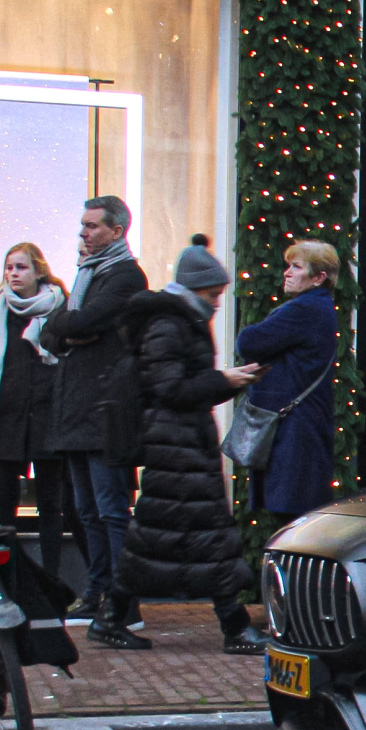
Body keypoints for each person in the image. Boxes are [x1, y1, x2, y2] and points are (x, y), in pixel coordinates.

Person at [119, 241, 269, 655]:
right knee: (212, 537)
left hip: (179, 445)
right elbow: (169, 387)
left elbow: (175, 385)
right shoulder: (171, 323)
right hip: (178, 446)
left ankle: (110, 616)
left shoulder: (177, 319)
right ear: (193, 289)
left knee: (154, 534)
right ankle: (234, 627)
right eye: (212, 293)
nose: (217, 301)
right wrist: (224, 381)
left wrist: (223, 381)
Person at [41, 196, 150, 637]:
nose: (82, 233)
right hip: (76, 407)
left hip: (105, 408)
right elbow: (54, 331)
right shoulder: (87, 274)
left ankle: (124, 601)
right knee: (85, 510)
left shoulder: (124, 275)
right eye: (82, 225)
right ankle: (98, 589)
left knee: (110, 509)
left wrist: (70, 326)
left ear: (115, 230)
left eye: (91, 226)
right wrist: (70, 328)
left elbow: (82, 320)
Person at [0, 243, 71, 575]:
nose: (13, 274)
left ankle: (51, 581)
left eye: (21, 267)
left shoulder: (58, 308)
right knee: (4, 506)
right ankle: (6, 581)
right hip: (4, 419)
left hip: (47, 418)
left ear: (38, 270)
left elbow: (68, 359)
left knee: (51, 506)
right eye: (9, 267)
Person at [237, 239, 339, 524]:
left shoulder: (305, 309)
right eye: (288, 265)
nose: (287, 272)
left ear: (318, 277)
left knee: (290, 519)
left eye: (296, 266)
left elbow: (249, 341)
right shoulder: (315, 307)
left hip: (295, 431)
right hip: (298, 427)